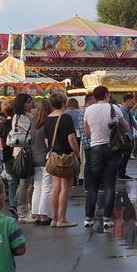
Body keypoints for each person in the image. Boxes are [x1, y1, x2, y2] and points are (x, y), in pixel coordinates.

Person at [81, 85, 126, 229]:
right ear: (107, 94)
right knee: (110, 184)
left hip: (95, 148)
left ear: (94, 97)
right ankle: (107, 218)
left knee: (94, 184)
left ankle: (88, 218)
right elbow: (126, 127)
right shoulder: (114, 108)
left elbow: (86, 131)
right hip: (113, 147)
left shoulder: (88, 110)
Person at [44, 91, 80, 227]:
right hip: (66, 156)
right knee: (65, 187)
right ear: (64, 102)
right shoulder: (66, 118)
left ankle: (54, 218)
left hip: (54, 155)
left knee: (56, 186)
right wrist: (76, 154)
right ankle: (62, 218)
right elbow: (71, 138)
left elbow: (46, 140)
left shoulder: (47, 119)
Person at [16, 98, 49, 223]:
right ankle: (44, 214)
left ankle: (36, 213)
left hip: (34, 156)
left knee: (37, 186)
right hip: (44, 156)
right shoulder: (46, 122)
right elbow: (47, 141)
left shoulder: (33, 122)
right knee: (46, 186)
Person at [4, 92, 35, 212]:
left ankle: (24, 206)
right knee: (25, 180)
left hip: (25, 150)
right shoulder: (20, 117)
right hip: (23, 151)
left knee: (28, 180)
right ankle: (21, 207)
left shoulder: (25, 115)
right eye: (27, 102)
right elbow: (31, 130)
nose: (30, 104)